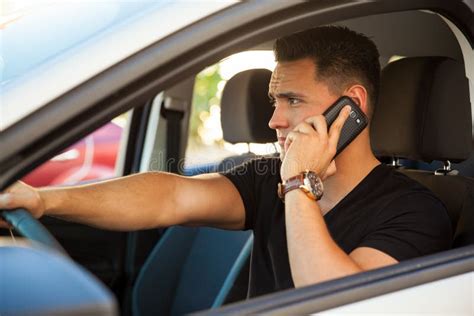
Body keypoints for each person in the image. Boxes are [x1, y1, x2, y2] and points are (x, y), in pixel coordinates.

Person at [0, 26, 451, 298]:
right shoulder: (265, 177)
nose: (273, 119)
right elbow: (170, 197)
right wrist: (41, 199)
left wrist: (300, 183)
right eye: (274, 99)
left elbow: (335, 301)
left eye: (292, 99)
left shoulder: (416, 212)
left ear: (352, 107)